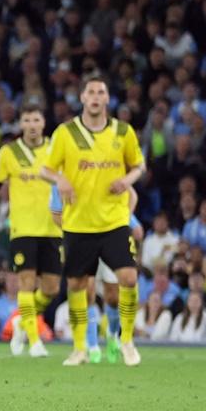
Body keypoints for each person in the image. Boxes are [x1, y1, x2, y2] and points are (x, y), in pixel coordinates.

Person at [42, 73, 147, 366]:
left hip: (113, 221)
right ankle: (80, 348)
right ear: (83, 98)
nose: (97, 96)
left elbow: (139, 165)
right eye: (91, 92)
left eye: (101, 91)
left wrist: (127, 180)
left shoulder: (123, 132)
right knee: (77, 287)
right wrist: (60, 179)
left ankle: (126, 340)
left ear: (107, 98)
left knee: (128, 277)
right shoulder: (66, 132)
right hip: (77, 224)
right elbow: (45, 169)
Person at [0, 101, 58, 359]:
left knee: (51, 289)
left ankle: (23, 320)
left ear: (43, 123)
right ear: (20, 124)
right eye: (27, 120)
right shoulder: (9, 153)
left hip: (54, 229)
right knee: (26, 283)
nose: (32, 125)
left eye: (37, 120)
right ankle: (34, 341)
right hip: (22, 229)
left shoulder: (56, 150)